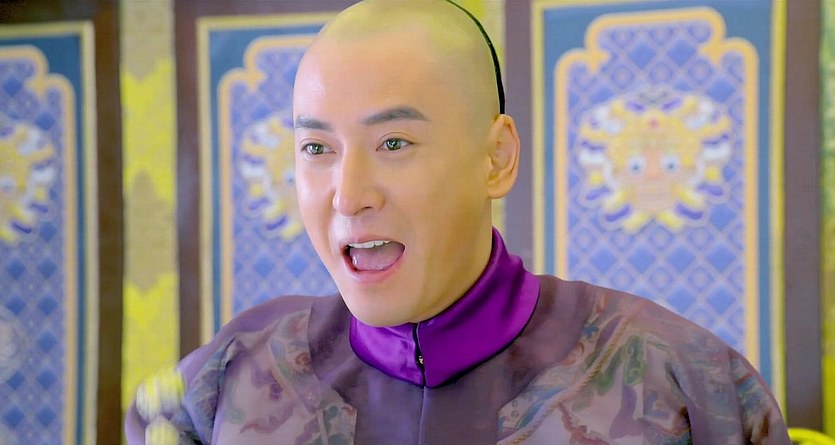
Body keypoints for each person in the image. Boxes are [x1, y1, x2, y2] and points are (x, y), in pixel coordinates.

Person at [126, 1, 791, 443]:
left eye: (393, 143)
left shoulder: (681, 385)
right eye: (316, 148)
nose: (347, 195)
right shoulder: (224, 385)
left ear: (496, 158)